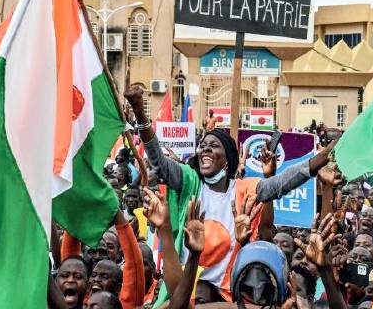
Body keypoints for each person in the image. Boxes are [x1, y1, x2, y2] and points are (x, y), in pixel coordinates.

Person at [124, 85, 336, 303]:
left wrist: (324, 157)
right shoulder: (190, 182)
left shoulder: (245, 190)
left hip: (232, 294)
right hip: (186, 290)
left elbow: (283, 182)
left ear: (227, 160)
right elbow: (158, 161)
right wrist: (139, 111)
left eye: (213, 146)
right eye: (203, 145)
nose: (205, 149)